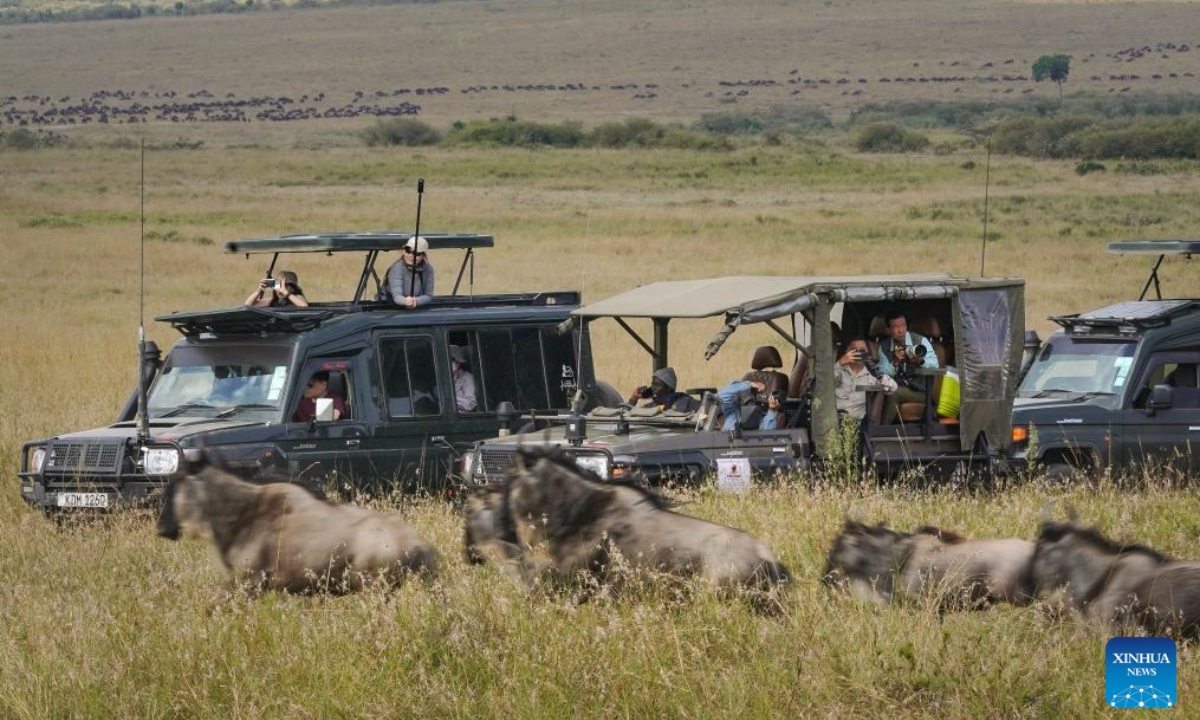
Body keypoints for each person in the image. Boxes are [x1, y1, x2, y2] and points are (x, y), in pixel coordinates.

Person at [876, 310, 939, 422]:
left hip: (921, 391)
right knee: (881, 391)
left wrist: (919, 361)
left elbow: (934, 366)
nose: (901, 330)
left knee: (895, 394)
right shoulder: (884, 347)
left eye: (903, 325)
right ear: (889, 329)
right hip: (896, 386)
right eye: (896, 327)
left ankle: (883, 432)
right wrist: (895, 362)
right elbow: (882, 373)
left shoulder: (920, 341)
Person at [835, 337, 898, 421]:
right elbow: (825, 384)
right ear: (847, 352)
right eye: (854, 350)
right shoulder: (838, 370)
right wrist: (840, 363)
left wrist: (878, 375)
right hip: (835, 420)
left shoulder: (872, 373)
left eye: (862, 351)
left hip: (857, 423)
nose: (858, 353)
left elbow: (893, 388)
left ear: (868, 354)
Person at [387, 236, 435, 310]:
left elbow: (428, 295)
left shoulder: (428, 269)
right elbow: (397, 296)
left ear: (423, 255)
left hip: (416, 306)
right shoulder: (397, 268)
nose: (411, 255)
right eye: (408, 251)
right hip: (391, 306)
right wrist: (406, 302)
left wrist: (415, 301)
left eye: (416, 253)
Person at [717, 381, 784, 432]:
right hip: (728, 446)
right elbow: (721, 396)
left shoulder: (761, 416)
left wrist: (772, 411)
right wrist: (749, 384)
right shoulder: (732, 410)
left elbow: (768, 434)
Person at [628, 367, 698, 413]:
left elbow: (706, 411)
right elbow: (623, 416)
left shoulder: (686, 402)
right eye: (652, 384)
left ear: (669, 387)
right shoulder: (651, 406)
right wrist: (634, 399)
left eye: (657, 385)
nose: (652, 388)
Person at [449, 345, 477, 413]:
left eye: (457, 361)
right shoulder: (440, 378)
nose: (455, 364)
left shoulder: (467, 377)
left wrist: (450, 399)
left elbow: (470, 404)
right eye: (452, 360)